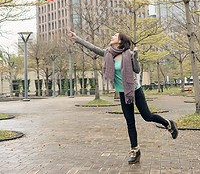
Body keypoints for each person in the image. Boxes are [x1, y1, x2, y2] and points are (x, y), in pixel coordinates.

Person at [69, 31, 178, 164]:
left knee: (147, 116)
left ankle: (168, 123)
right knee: (130, 122)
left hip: (135, 90)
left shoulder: (129, 54)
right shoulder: (107, 53)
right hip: (122, 92)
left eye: (114, 36)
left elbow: (137, 70)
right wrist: (77, 38)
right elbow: (92, 47)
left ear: (120, 41)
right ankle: (135, 151)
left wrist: (136, 55)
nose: (112, 36)